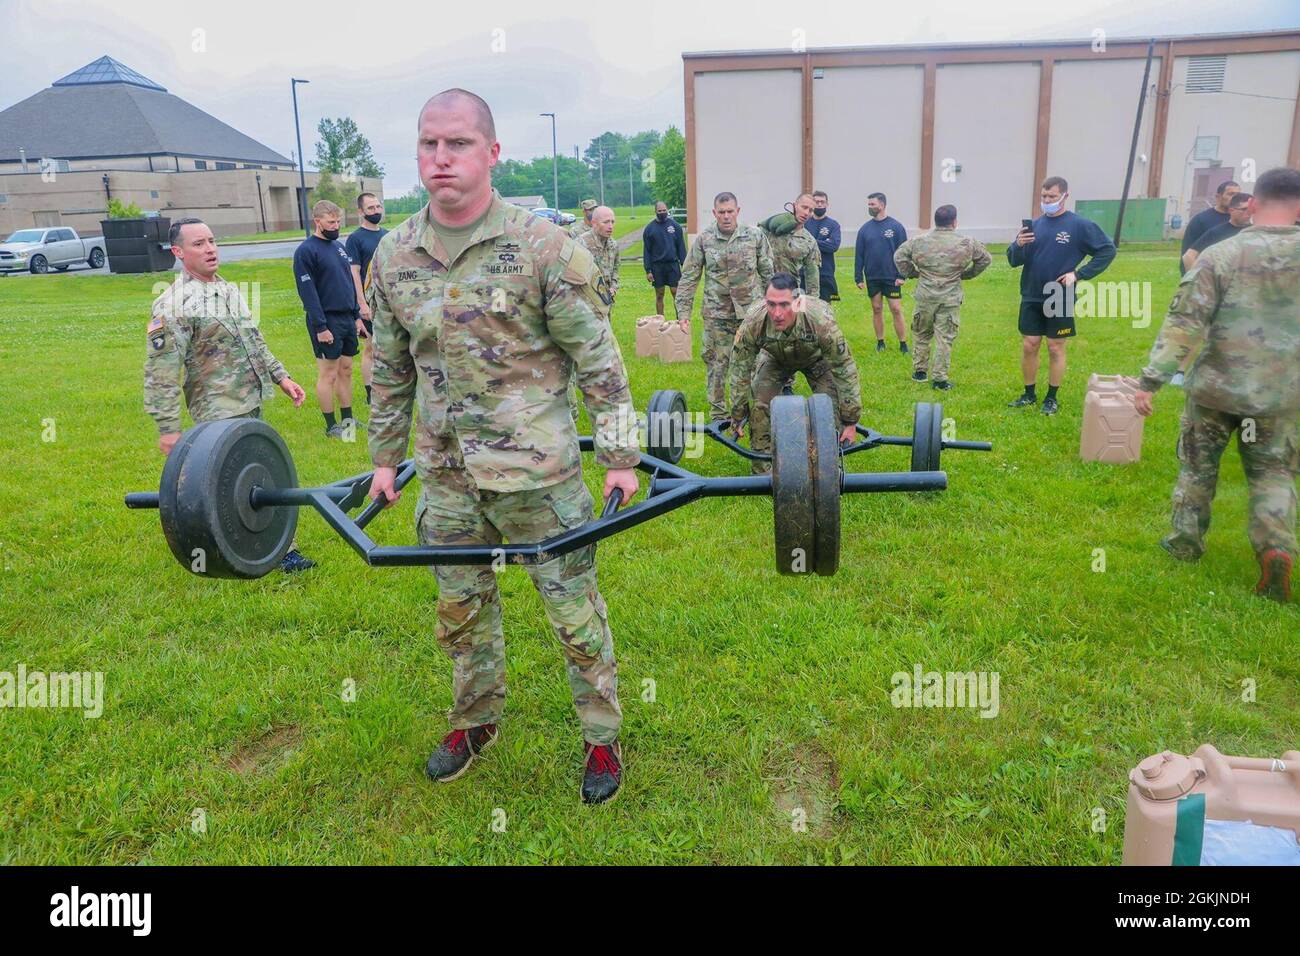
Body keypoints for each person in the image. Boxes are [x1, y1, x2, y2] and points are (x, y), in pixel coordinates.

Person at [365, 89, 640, 803]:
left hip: (540, 479)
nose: (440, 158)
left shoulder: (544, 246)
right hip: (448, 481)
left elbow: (599, 360)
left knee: (574, 615)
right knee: (461, 614)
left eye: (457, 143)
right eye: (428, 144)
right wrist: (383, 460)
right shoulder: (394, 255)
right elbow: (390, 369)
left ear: (491, 152)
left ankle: (602, 739)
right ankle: (475, 722)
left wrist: (619, 456)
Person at [1133, 166, 1300, 603]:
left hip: (1215, 391)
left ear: (1254, 204)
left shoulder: (1222, 255)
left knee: (1197, 468)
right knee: (1273, 473)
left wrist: (1150, 381)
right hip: (1280, 394)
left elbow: (1185, 323)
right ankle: (1276, 548)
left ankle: (1185, 542)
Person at [144, 217, 312, 573]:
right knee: (225, 486)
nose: (210, 249)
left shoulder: (228, 289)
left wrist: (282, 378)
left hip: (249, 398)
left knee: (260, 473)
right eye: (199, 244)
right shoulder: (172, 304)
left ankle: (279, 549)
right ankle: (231, 552)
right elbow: (161, 371)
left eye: (212, 240)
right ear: (178, 252)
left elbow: (254, 339)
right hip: (216, 409)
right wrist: (168, 427)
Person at [727, 273, 861, 475]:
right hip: (775, 358)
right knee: (760, 403)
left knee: (828, 404)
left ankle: (830, 466)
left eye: (784, 305)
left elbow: (844, 369)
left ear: (797, 303)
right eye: (771, 304)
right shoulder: (754, 322)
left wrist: (851, 421)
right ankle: (762, 471)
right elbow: (739, 368)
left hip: (817, 359)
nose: (777, 313)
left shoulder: (820, 321)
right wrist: (738, 413)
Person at [1006, 175, 1116, 415]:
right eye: (1044, 196)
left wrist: (1079, 274)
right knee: (1030, 345)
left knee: (1055, 347)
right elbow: (1013, 260)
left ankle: (1052, 397)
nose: (1047, 200)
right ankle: (1029, 394)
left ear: (1065, 196)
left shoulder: (1079, 225)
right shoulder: (1034, 225)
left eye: (1052, 196)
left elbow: (1107, 250)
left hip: (1059, 294)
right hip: (1032, 293)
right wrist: (1018, 244)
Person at [674, 191, 774, 422]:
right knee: (716, 363)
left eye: (730, 211)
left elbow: (769, 272)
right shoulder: (704, 239)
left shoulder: (754, 236)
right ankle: (719, 414)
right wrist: (683, 312)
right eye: (722, 212)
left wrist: (776, 307)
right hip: (717, 313)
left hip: (751, 313)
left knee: (755, 362)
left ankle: (755, 412)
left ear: (738, 211)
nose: (726, 216)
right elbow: (689, 276)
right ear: (714, 213)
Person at [893, 204, 991, 390]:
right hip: (950, 297)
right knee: (944, 338)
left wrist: (913, 273)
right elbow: (985, 259)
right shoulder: (966, 242)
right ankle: (939, 378)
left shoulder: (919, 241)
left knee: (921, 333)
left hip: (925, 296)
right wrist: (968, 274)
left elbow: (899, 256)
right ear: (954, 222)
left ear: (935, 221)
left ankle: (919, 371)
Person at [293, 200, 363, 438]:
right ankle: (331, 425)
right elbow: (308, 292)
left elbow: (348, 283)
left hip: (346, 318)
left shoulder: (339, 248)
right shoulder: (306, 251)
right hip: (326, 321)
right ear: (318, 222)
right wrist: (320, 326)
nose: (336, 226)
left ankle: (348, 419)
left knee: (346, 369)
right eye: (331, 222)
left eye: (338, 221)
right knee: (329, 373)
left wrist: (356, 316)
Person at [345, 192, 388, 406]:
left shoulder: (389, 236)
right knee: (371, 348)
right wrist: (361, 304)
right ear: (361, 212)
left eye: (378, 207)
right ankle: (371, 392)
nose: (376, 211)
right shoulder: (355, 239)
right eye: (370, 208)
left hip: (390, 301)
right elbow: (354, 273)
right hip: (370, 303)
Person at [853, 192, 909, 352]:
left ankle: (903, 343)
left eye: (872, 204)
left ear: (882, 205)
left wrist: (902, 275)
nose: (869, 207)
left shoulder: (896, 227)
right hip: (873, 277)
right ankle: (880, 342)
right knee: (876, 308)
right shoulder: (864, 230)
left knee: (896, 309)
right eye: (869, 204)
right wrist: (858, 277)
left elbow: (904, 253)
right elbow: (859, 255)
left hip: (891, 277)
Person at [758, 193, 821, 299]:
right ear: (795, 205)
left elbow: (812, 275)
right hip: (764, 289)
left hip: (791, 292)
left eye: (810, 210)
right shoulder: (772, 229)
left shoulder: (809, 241)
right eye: (804, 207)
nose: (806, 213)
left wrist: (813, 302)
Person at [1180, 179, 1239, 276]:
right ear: (1218, 197)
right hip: (1207, 274)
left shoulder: (1239, 220)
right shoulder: (1201, 219)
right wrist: (1190, 278)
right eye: (1230, 194)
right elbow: (1188, 253)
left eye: (1237, 195)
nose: (1235, 198)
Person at [1182, 191, 1251, 272]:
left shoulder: (1256, 231)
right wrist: (1196, 280)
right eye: (1244, 209)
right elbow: (1188, 256)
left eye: (1252, 209)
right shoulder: (1217, 232)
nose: (1249, 213)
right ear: (1231, 210)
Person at [642, 200, 686, 317]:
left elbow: (681, 247)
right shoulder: (649, 229)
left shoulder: (675, 226)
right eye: (659, 211)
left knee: (675, 292)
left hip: (672, 265)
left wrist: (684, 264)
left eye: (664, 210)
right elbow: (646, 251)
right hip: (657, 266)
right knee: (660, 294)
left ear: (667, 210)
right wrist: (648, 270)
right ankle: (660, 320)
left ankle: (680, 319)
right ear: (655, 211)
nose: (662, 212)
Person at [806, 190, 841, 302]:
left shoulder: (833, 225)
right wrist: (823, 242)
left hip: (825, 273)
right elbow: (799, 244)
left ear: (827, 204)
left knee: (824, 309)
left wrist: (811, 241)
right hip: (804, 273)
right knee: (802, 309)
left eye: (822, 202)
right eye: (817, 202)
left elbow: (833, 246)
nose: (820, 204)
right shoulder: (804, 223)